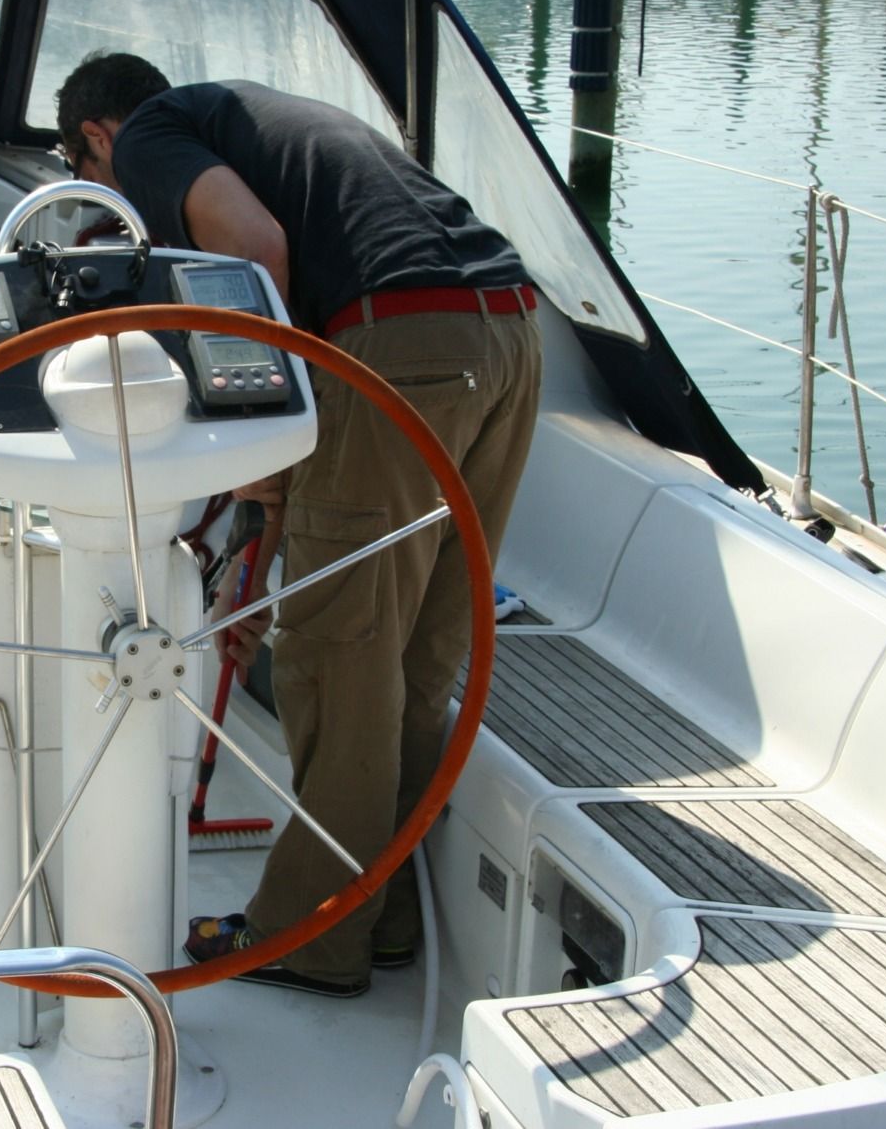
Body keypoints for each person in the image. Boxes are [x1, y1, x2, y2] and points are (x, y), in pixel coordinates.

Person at [54, 51, 544, 997]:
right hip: (508, 330)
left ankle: (308, 937)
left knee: (335, 650)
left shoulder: (153, 136)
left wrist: (269, 474)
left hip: (401, 337)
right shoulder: (247, 116)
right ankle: (381, 912)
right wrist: (269, 514)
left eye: (86, 180)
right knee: (412, 654)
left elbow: (260, 255)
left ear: (99, 139)